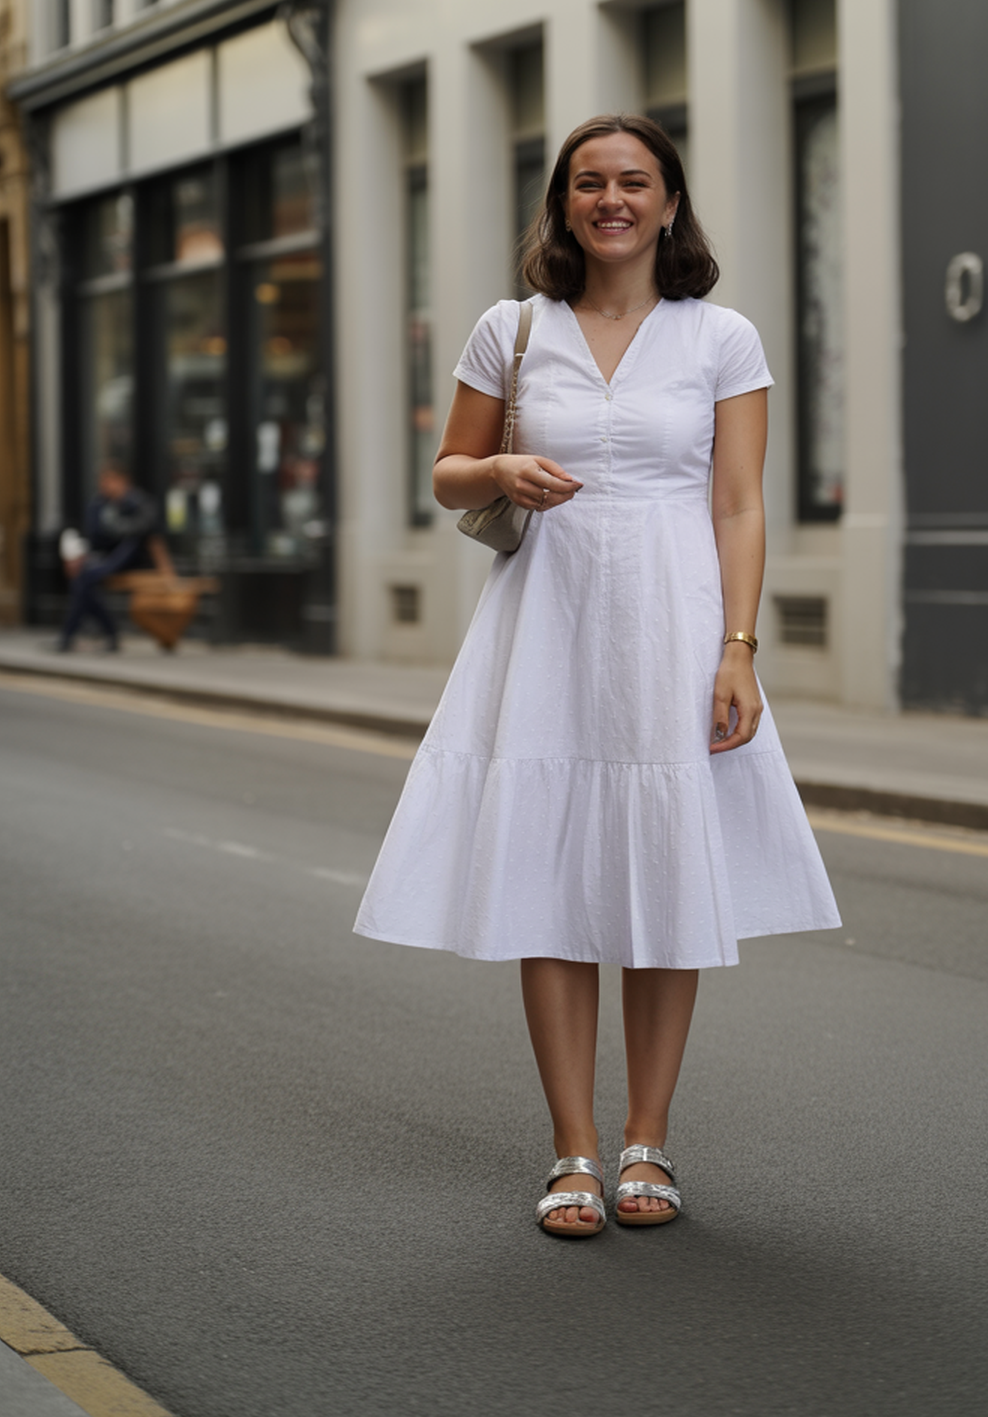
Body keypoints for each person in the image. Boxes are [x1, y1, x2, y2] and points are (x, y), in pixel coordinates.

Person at [354, 114, 840, 1235]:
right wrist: (499, 467)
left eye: (633, 181)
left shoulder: (721, 338)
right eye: (588, 183)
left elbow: (739, 504)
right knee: (550, 878)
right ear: (563, 206)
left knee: (667, 876)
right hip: (548, 627)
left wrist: (739, 648)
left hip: (677, 625)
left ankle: (646, 1141)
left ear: (670, 203)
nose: (610, 199)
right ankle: (573, 1150)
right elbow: (446, 473)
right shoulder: (512, 328)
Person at [57, 465, 158, 652]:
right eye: (102, 482)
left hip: (134, 560)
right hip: (105, 559)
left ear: (123, 481)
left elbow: (146, 529)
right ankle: (106, 633)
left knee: (88, 576)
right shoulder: (98, 505)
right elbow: (93, 537)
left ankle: (71, 636)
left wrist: (117, 525)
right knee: (82, 581)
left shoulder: (138, 502)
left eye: (109, 481)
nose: (105, 486)